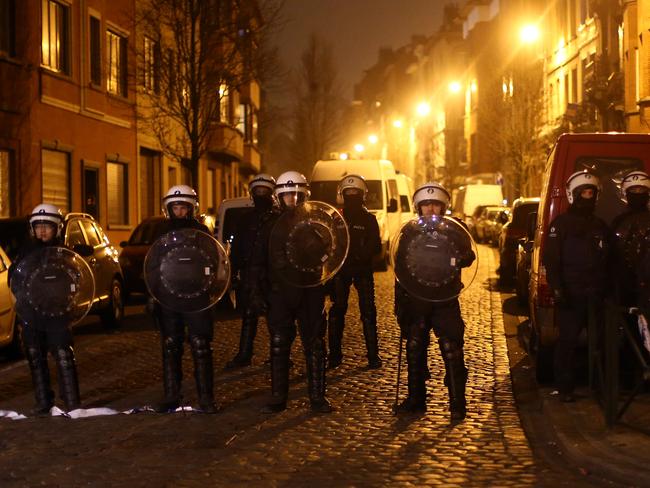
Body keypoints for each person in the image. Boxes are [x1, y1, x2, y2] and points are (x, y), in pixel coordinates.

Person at [394, 182, 475, 421]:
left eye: (435, 204)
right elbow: (401, 267)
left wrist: (460, 256)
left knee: (451, 348)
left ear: (443, 207)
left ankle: (458, 403)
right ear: (419, 207)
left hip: (445, 297)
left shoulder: (455, 229)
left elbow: (468, 255)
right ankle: (416, 400)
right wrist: (401, 303)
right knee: (415, 346)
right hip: (417, 297)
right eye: (426, 204)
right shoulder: (410, 232)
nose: (431, 209)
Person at [261, 171, 332, 413]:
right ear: (279, 197)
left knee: (315, 343)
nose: (292, 198)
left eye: (296, 194)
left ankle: (317, 397)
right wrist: (257, 292)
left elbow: (329, 254)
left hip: (310, 288)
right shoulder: (270, 224)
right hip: (281, 290)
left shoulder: (315, 222)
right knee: (280, 343)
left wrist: (331, 283)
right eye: (287, 194)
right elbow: (259, 261)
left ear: (304, 195)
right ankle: (278, 396)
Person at [543, 170, 610, 403]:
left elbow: (609, 259)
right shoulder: (560, 225)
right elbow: (551, 260)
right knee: (567, 343)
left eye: (591, 192)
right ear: (574, 195)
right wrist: (558, 289)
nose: (587, 197)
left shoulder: (600, 225)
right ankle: (564, 388)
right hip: (571, 294)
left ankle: (601, 387)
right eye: (584, 192)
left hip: (596, 293)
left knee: (601, 342)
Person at [8, 204, 81, 414]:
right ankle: (43, 401)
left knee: (63, 354)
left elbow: (76, 279)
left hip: (57, 312)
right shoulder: (24, 253)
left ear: (56, 228)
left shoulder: (64, 253)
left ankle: (71, 401)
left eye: (47, 226)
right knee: (34, 354)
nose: (42, 231)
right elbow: (14, 280)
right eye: (38, 226)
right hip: (32, 311)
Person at [152, 185, 218, 413]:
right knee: (171, 345)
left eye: (183, 208)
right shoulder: (161, 232)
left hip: (196, 296)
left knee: (200, 345)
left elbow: (213, 259)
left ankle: (206, 397)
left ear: (191, 208)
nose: (179, 212)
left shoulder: (201, 232)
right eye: (175, 208)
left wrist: (206, 284)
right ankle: (172, 394)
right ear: (168, 209)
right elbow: (152, 264)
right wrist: (152, 294)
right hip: (169, 297)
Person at [327, 174, 382, 369]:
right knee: (337, 310)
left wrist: (360, 254)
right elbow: (329, 242)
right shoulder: (336, 217)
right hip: (341, 271)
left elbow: (376, 245)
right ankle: (334, 355)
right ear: (342, 195)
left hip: (362, 269)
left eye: (355, 193)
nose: (351, 196)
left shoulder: (369, 219)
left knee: (368, 312)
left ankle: (373, 355)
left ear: (362, 195)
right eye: (348, 193)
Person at [226, 173, 278, 369]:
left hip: (271, 273)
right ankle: (244, 353)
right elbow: (237, 246)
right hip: (249, 272)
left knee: (275, 316)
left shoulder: (278, 218)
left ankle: (278, 353)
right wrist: (234, 269)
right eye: (258, 191)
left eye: (265, 191)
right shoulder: (245, 219)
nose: (261, 194)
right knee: (249, 315)